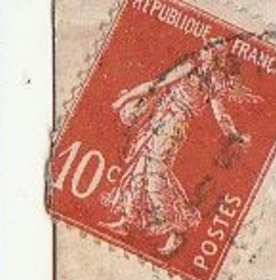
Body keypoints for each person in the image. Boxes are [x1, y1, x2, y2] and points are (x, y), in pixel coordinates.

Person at [100, 36, 258, 256]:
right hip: (163, 122)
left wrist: (124, 99)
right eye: (206, 48)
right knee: (139, 169)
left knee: (155, 176)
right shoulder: (212, 78)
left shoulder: (199, 71)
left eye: (209, 49)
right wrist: (234, 134)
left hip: (169, 126)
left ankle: (176, 231)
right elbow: (220, 113)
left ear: (212, 56)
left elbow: (157, 85)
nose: (204, 52)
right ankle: (126, 220)